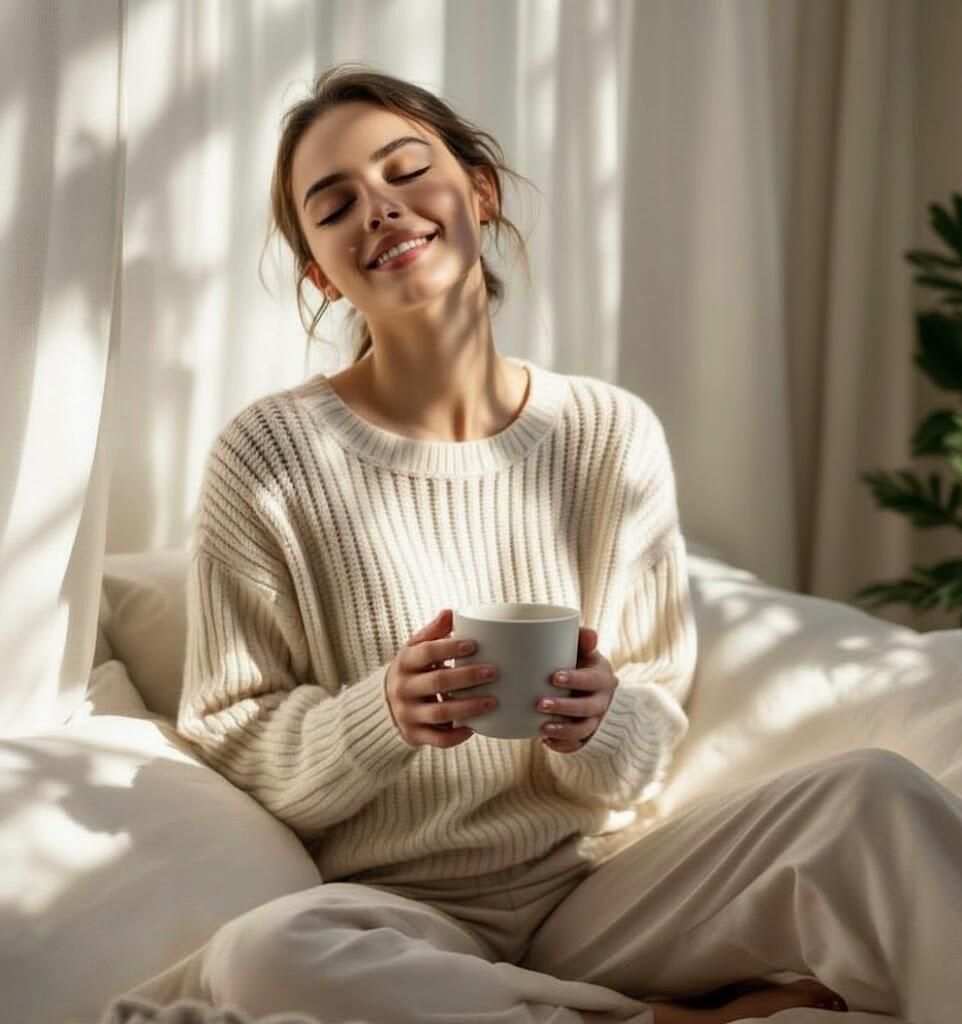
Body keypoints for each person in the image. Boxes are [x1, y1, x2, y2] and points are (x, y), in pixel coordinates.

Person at [104, 64, 962, 1024]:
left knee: (875, 796)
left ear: (479, 191)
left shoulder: (607, 431)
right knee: (268, 954)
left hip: (606, 891)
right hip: (407, 915)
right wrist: (379, 715)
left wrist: (601, 720)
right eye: (336, 205)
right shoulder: (268, 456)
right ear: (319, 268)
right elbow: (233, 726)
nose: (379, 210)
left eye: (403, 171)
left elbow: (655, 704)